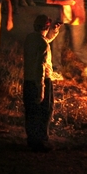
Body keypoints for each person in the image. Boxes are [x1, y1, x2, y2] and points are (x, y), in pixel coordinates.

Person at [23, 14, 60, 152]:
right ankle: (41, 142)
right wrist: (41, 89)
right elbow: (40, 67)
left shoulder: (30, 39)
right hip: (41, 81)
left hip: (28, 81)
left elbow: (44, 40)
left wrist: (54, 31)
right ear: (46, 27)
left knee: (31, 112)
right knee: (45, 111)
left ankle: (32, 140)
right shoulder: (43, 44)